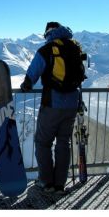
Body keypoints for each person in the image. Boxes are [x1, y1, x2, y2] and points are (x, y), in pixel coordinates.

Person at [20, 21, 81, 195]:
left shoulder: (46, 50)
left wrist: (27, 84)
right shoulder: (75, 47)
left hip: (53, 103)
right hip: (72, 104)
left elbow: (33, 72)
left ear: (48, 33)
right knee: (63, 143)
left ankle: (46, 182)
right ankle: (60, 184)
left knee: (43, 142)